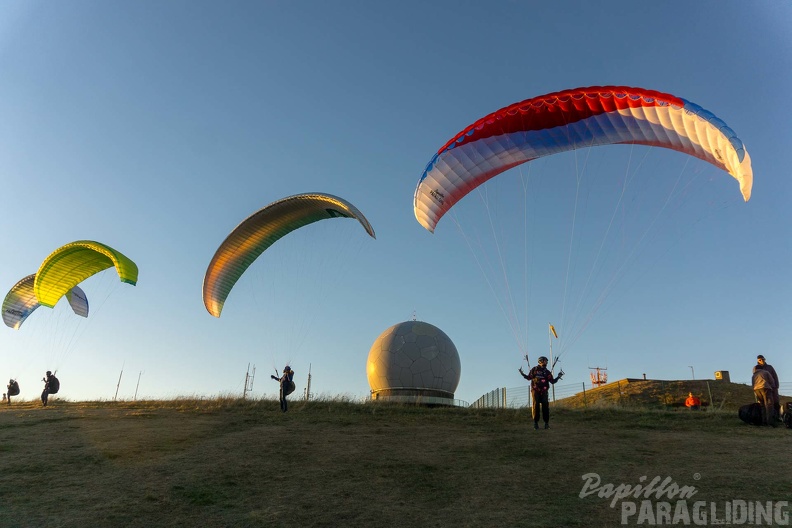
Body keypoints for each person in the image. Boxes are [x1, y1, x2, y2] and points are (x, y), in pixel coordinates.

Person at [518, 356, 563, 430]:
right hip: (535, 390)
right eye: (545, 361)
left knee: (545, 407)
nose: (546, 362)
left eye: (546, 361)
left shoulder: (547, 372)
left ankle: (546, 423)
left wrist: (558, 377)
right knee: (536, 406)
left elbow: (552, 381)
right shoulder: (534, 370)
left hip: (544, 391)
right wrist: (522, 374)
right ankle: (536, 423)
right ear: (541, 361)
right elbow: (529, 377)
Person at [757, 355, 780, 421]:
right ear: (758, 361)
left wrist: (776, 385)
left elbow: (775, 376)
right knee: (766, 404)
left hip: (773, 387)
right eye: (760, 360)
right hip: (764, 388)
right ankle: (767, 419)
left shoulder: (770, 367)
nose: (762, 361)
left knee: (775, 402)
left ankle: (777, 417)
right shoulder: (757, 368)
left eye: (763, 359)